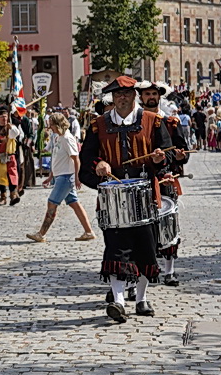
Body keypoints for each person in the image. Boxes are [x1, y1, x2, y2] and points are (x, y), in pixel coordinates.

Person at [80, 77, 172, 323]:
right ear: (112, 97)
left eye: (127, 94)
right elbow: (86, 159)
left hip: (145, 197)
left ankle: (141, 299)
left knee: (146, 251)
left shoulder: (153, 122)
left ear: (135, 96)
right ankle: (119, 302)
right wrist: (97, 164)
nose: (122, 98)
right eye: (118, 94)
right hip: (113, 199)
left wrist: (158, 159)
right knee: (116, 251)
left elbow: (168, 157)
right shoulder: (98, 125)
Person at [143, 83, 191, 285]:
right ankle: (148, 268)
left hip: (165, 177)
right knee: (145, 226)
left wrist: (179, 156)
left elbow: (182, 152)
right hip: (142, 178)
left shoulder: (171, 122)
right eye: (147, 94)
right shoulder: (137, 122)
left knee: (169, 223)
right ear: (141, 97)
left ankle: (169, 271)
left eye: (154, 94)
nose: (151, 97)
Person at [29, 111, 94, 243]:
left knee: (52, 203)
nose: (49, 128)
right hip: (60, 175)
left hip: (66, 177)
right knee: (75, 204)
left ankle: (41, 234)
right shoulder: (58, 137)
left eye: (51, 125)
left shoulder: (67, 138)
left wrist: (77, 177)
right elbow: (57, 159)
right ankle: (89, 232)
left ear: (58, 124)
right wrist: (51, 176)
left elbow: (76, 159)